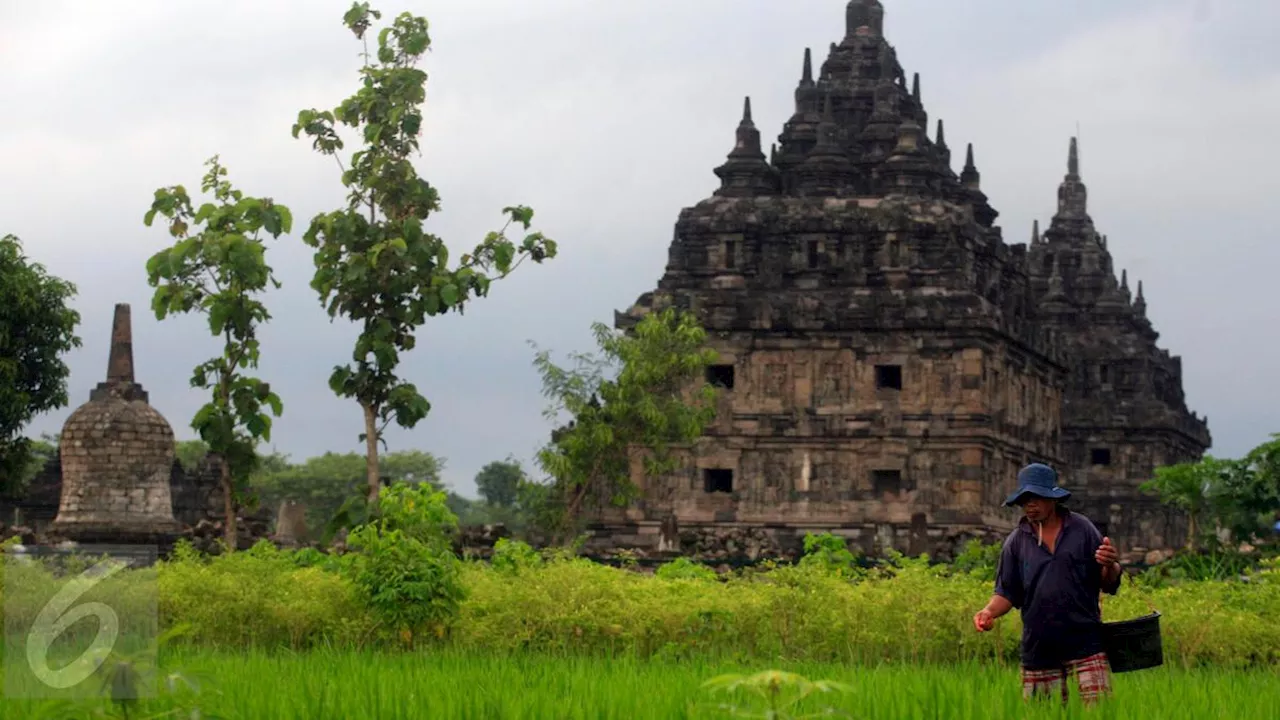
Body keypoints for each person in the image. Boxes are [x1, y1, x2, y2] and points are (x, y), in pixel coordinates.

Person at [972, 462, 1123, 705]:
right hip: (1039, 649)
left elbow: (1108, 582)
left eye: (1036, 498)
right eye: (1025, 499)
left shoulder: (1082, 529)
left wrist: (1110, 564)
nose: (1030, 505)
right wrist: (988, 612)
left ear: (1052, 499)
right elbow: (1007, 592)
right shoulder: (1016, 542)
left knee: (1099, 712)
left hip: (1086, 643)